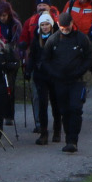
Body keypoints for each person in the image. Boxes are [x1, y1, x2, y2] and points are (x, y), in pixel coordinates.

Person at [40, 9, 92, 153]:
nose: (65, 29)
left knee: (75, 109)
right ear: (58, 24)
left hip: (77, 80)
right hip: (60, 81)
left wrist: (80, 71)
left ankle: (72, 140)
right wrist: (54, 74)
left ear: (71, 23)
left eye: (67, 26)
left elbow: (90, 58)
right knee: (64, 111)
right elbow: (45, 60)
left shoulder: (81, 38)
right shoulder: (53, 40)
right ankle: (68, 137)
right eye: (62, 28)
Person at [25, 11, 60, 145]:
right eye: (43, 25)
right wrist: (28, 70)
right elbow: (32, 57)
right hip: (40, 75)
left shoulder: (57, 38)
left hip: (54, 75)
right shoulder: (36, 39)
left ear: (51, 25)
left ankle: (57, 129)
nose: (45, 27)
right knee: (42, 103)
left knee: (56, 103)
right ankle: (43, 132)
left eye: (47, 24)